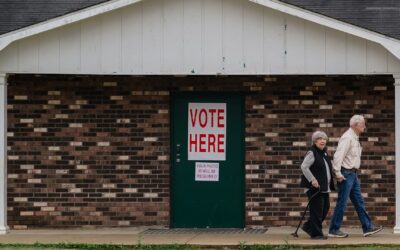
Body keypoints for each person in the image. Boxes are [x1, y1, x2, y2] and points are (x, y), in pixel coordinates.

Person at [328, 115, 383, 238]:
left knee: (359, 202)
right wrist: (338, 173)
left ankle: (367, 227)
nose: (364, 126)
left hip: (353, 174)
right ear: (355, 125)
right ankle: (334, 229)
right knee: (342, 202)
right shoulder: (347, 138)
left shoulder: (355, 138)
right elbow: (338, 156)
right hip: (346, 174)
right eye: (362, 124)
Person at [300, 131, 335, 240]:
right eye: (320, 139)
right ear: (315, 141)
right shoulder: (312, 152)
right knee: (317, 211)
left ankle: (308, 226)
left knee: (324, 209)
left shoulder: (324, 153)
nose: (322, 141)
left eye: (324, 139)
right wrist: (312, 179)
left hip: (324, 187)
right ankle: (316, 234)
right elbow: (304, 167)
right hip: (314, 187)